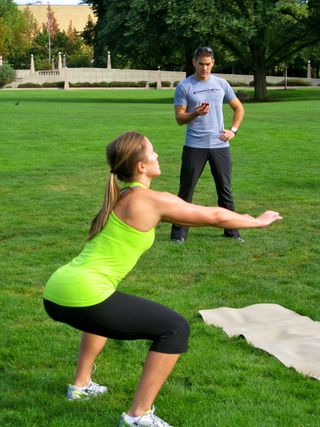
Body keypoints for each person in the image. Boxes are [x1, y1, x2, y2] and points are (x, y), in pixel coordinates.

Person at [43, 131, 282, 427]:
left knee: (104, 309)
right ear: (140, 166)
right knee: (175, 328)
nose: (157, 156)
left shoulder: (122, 197)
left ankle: (80, 386)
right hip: (83, 293)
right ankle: (137, 416)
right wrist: (257, 222)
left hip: (57, 292)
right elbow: (215, 217)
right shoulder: (149, 200)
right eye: (152, 152)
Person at [170, 46, 245, 244]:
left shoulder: (221, 84)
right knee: (186, 191)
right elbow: (179, 118)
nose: (205, 68)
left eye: (208, 64)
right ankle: (179, 235)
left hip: (220, 145)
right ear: (194, 63)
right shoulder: (184, 86)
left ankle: (232, 233)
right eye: (201, 64)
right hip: (194, 145)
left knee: (225, 190)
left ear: (213, 63)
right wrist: (195, 113)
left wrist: (233, 130)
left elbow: (238, 108)